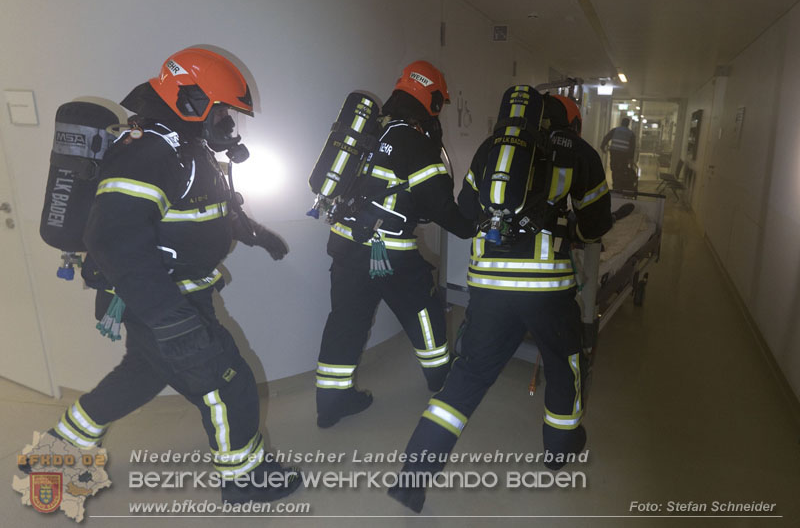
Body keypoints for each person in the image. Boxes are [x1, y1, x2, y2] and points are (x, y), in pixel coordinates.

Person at [38, 47, 300, 504]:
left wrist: (257, 235)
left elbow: (213, 209)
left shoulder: (186, 148)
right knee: (228, 384)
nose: (228, 126)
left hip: (170, 296)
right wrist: (169, 317)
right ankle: (245, 479)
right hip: (164, 300)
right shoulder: (149, 152)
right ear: (193, 101)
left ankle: (58, 452)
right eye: (223, 114)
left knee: (139, 375)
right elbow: (114, 240)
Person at [387, 94, 613, 512]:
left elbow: (469, 213)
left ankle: (414, 474)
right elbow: (598, 224)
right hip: (548, 291)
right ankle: (560, 449)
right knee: (565, 365)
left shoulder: (492, 147)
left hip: (489, 288)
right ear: (571, 122)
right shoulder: (578, 153)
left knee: (466, 378)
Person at [315, 60, 476, 428]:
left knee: (345, 322)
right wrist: (469, 227)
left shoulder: (372, 132)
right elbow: (438, 203)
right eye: (439, 103)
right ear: (430, 99)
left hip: (344, 244)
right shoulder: (414, 141)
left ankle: (331, 403)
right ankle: (440, 379)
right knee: (424, 310)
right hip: (385, 252)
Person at [601, 117, 637, 190]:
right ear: (628, 124)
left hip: (614, 152)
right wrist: (631, 158)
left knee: (614, 168)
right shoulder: (631, 133)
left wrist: (602, 147)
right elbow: (632, 147)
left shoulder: (615, 130)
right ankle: (619, 185)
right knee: (622, 169)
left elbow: (606, 138)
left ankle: (615, 184)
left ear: (621, 123)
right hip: (624, 154)